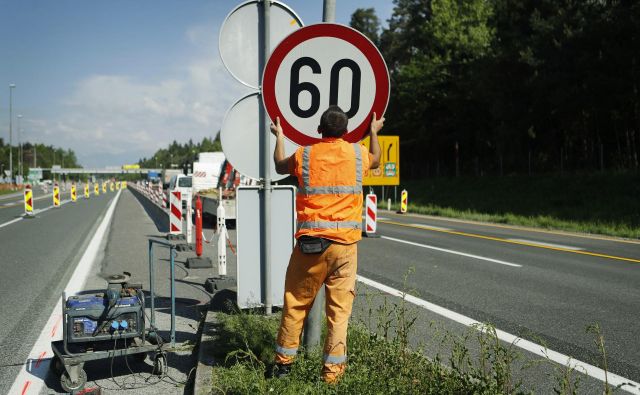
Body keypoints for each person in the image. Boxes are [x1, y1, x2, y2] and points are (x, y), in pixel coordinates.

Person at [270, 105, 384, 383]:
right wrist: (373, 132)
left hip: (311, 244)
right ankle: (331, 377)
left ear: (319, 130)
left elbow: (279, 164)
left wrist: (280, 135)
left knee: (295, 303)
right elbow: (377, 160)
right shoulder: (358, 153)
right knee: (339, 314)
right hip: (345, 247)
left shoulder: (306, 154)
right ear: (346, 131)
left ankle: (283, 367)